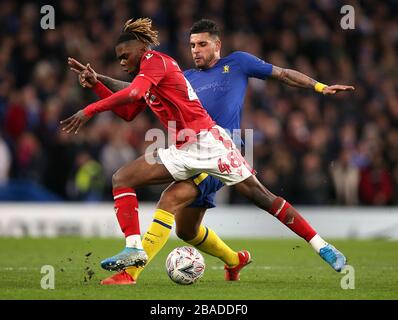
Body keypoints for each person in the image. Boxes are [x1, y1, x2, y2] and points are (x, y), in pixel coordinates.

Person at [65, 18, 354, 285]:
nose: (196, 50)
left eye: (202, 44)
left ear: (217, 44)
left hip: (217, 146)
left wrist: (319, 86)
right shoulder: (182, 75)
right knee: (183, 228)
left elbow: (282, 74)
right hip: (183, 147)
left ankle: (323, 246)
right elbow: (135, 97)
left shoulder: (236, 63)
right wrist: (98, 81)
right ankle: (233, 260)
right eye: (192, 45)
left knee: (193, 198)